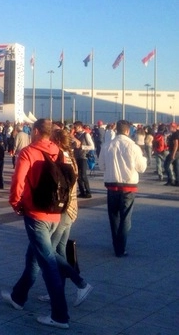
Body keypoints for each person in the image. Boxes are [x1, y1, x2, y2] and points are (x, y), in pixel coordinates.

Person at [2, 118, 70, 330]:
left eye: (32, 130)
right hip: (55, 212)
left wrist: (15, 203)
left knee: (48, 264)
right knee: (33, 256)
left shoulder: (28, 152)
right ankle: (18, 297)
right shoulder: (59, 151)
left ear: (38, 131)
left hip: (36, 213)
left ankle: (60, 315)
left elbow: (18, 181)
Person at [37, 127, 93, 305]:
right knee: (60, 251)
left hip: (64, 210)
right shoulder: (70, 156)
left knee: (49, 252)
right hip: (71, 209)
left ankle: (81, 284)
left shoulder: (61, 156)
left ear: (57, 141)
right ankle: (57, 290)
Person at [99, 120, 147, 257]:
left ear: (117, 130)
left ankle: (116, 245)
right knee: (125, 218)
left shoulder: (107, 145)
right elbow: (141, 168)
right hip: (128, 186)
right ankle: (121, 247)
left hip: (111, 185)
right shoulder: (133, 146)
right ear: (127, 131)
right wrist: (144, 159)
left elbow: (101, 166)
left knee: (114, 217)